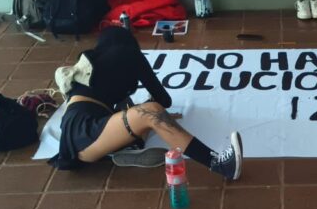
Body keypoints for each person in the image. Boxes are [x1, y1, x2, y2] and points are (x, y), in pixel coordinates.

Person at [51, 26, 242, 179]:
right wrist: (160, 114)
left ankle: (127, 148)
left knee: (135, 110)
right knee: (151, 112)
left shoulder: (88, 64)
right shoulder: (127, 53)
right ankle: (219, 164)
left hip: (81, 135)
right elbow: (164, 100)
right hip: (86, 132)